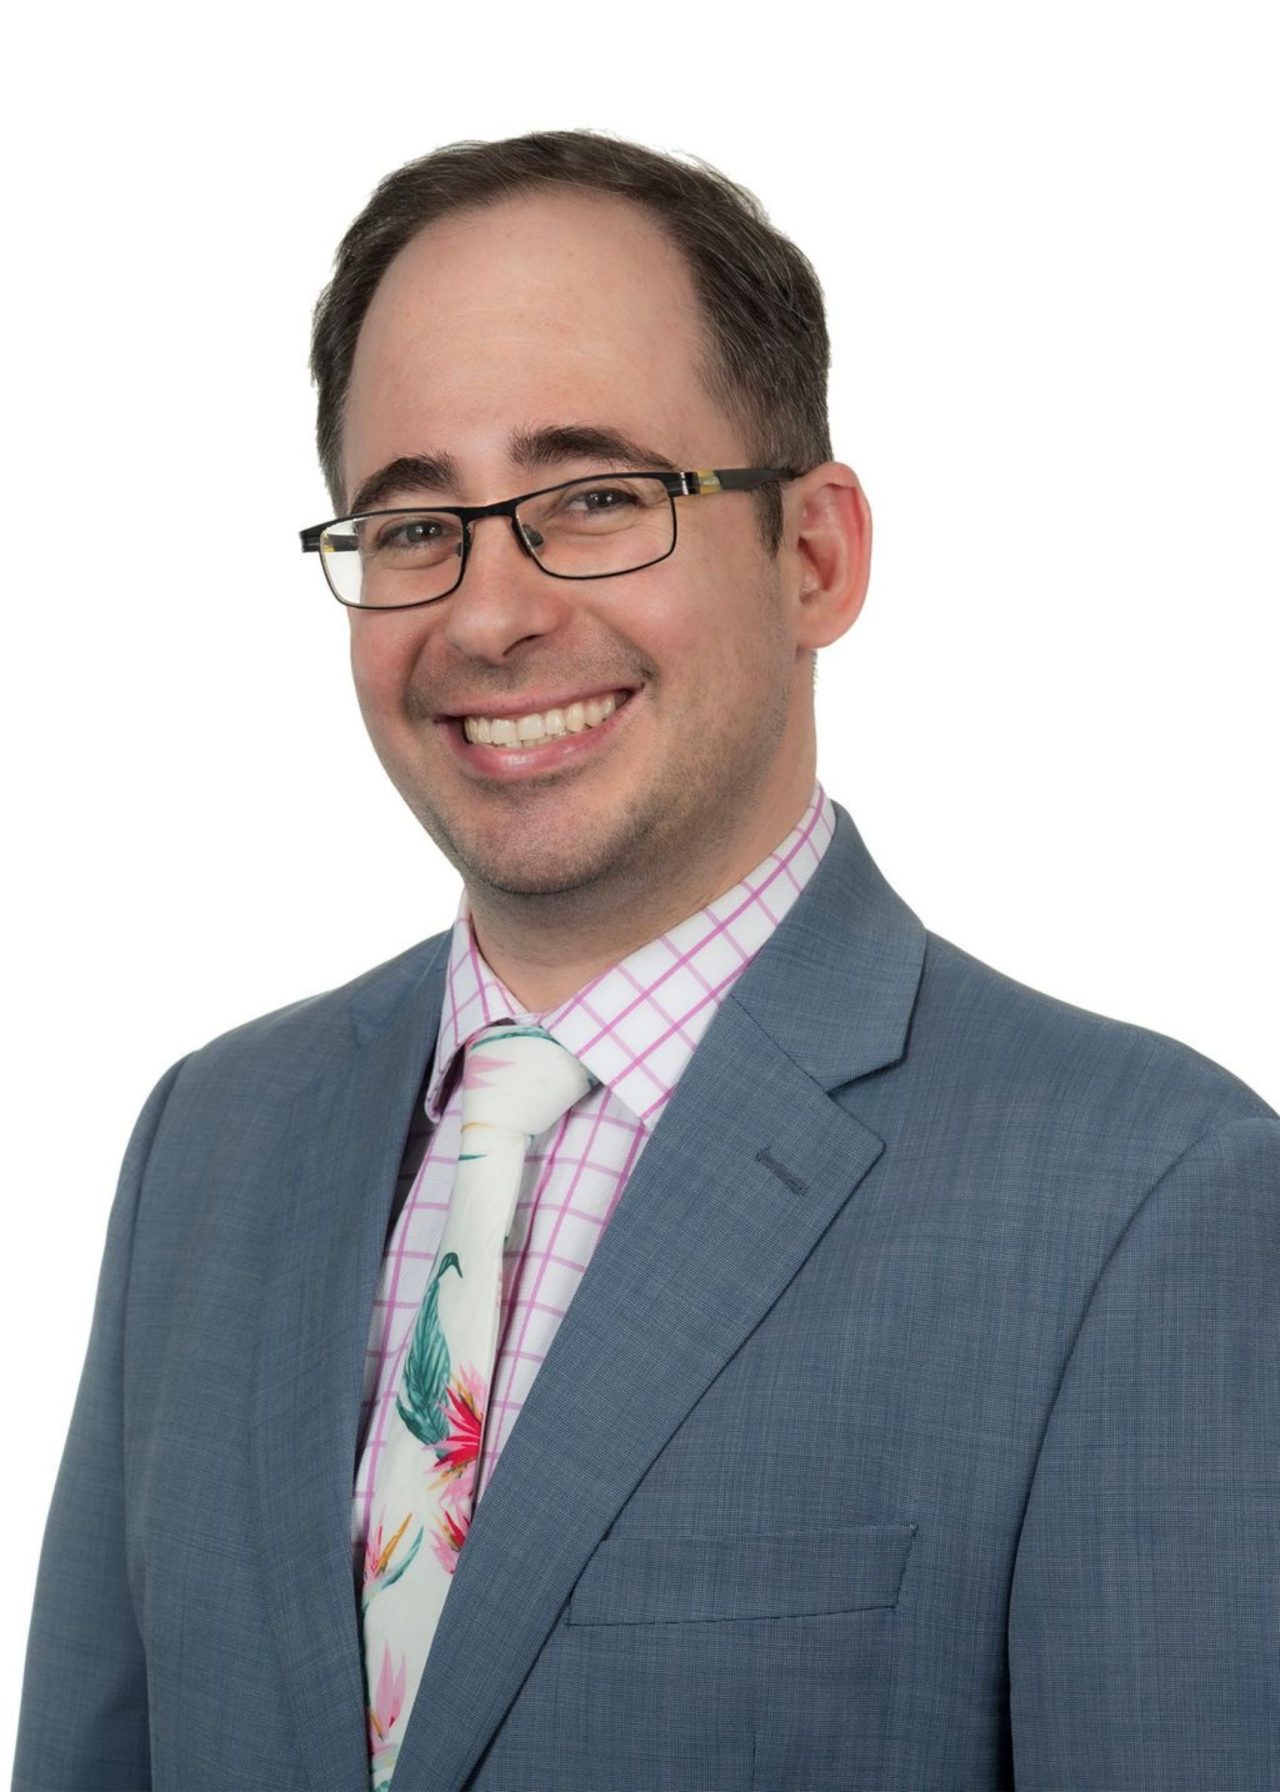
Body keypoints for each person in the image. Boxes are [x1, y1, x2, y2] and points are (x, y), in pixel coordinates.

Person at [12, 128, 1278, 1792]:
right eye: (412, 525)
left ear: (814, 555)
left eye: (598, 499)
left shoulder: (1149, 1199)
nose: (488, 616)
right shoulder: (209, 1140)